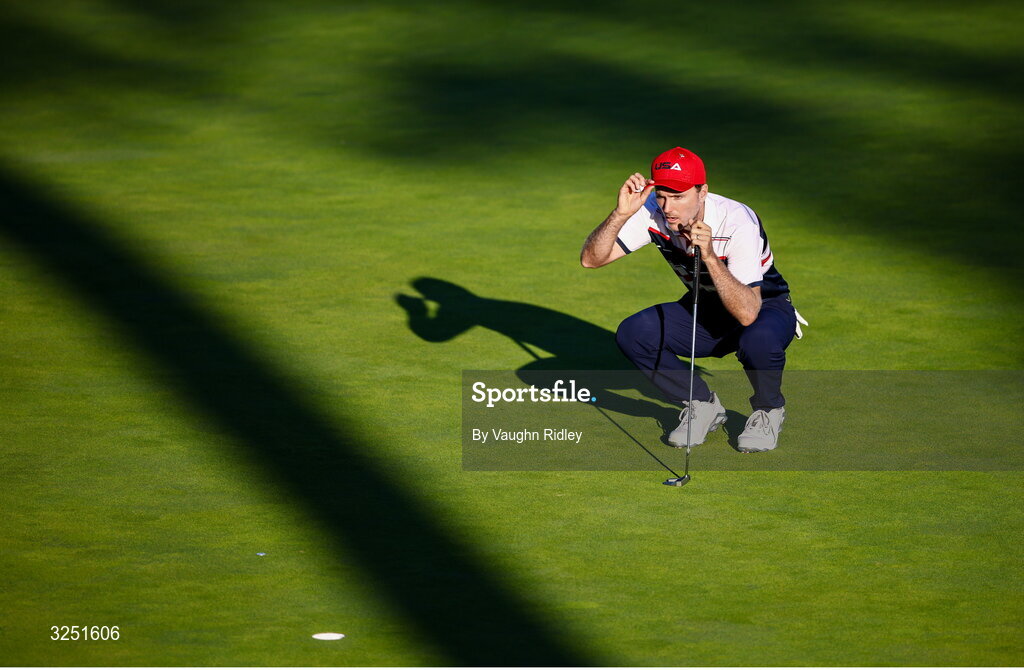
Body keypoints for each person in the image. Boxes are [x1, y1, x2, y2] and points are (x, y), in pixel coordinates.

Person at [580, 147, 805, 452]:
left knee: (758, 340)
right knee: (634, 334)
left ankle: (768, 411)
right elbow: (592, 260)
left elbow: (748, 313)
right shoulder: (651, 210)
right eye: (662, 194)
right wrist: (621, 214)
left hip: (764, 306)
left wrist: (710, 255)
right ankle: (702, 405)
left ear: (702, 192)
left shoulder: (737, 221)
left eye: (678, 196)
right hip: (708, 308)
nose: (668, 207)